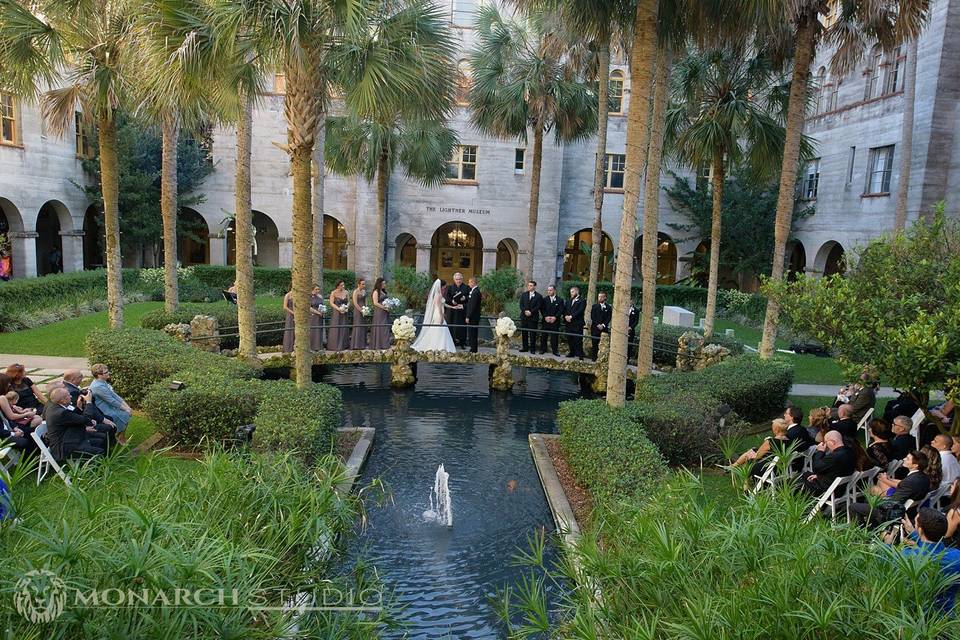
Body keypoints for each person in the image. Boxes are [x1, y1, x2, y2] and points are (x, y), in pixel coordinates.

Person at [895, 508, 960, 615]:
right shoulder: (957, 556)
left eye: (916, 523)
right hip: (946, 619)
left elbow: (883, 560)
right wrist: (915, 533)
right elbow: (931, 548)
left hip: (916, 619)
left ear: (920, 530)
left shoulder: (907, 556)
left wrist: (887, 543)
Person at [852, 451, 933, 525]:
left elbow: (893, 500)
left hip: (892, 512)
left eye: (907, 459)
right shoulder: (923, 477)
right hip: (911, 510)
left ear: (915, 465)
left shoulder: (910, 481)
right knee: (870, 497)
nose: (904, 459)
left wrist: (878, 498)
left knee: (853, 506)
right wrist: (888, 480)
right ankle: (872, 526)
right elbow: (902, 484)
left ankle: (864, 529)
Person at [43, 387, 107, 460]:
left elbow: (73, 418)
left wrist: (78, 407)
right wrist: (89, 402)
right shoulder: (60, 413)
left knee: (101, 440)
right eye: (68, 395)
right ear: (63, 400)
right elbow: (87, 420)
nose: (71, 396)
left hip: (70, 438)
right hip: (65, 447)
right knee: (100, 451)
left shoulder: (55, 407)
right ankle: (95, 468)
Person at [412, 279, 456, 353]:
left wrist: (452, 307)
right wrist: (441, 316)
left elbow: (443, 303)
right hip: (438, 314)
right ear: (441, 286)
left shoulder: (439, 294)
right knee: (439, 330)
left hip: (439, 313)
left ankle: (440, 347)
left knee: (439, 330)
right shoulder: (437, 295)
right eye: (444, 287)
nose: (444, 288)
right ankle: (438, 347)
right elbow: (438, 307)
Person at [88, 363, 132, 437]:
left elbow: (114, 395)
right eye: (106, 372)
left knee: (127, 412)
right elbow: (111, 401)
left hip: (108, 404)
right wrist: (126, 409)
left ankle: (120, 435)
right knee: (124, 414)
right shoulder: (98, 386)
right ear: (99, 375)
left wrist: (127, 406)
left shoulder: (102, 381)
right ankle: (120, 436)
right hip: (103, 408)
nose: (108, 373)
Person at [444, 272, 469, 347]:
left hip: (462, 310)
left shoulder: (466, 287)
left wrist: (465, 298)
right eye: (457, 279)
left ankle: (462, 342)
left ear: (462, 279)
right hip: (452, 310)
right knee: (452, 326)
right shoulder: (450, 287)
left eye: (460, 279)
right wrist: (452, 301)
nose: (458, 281)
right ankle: (452, 342)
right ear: (454, 279)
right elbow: (446, 298)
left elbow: (470, 297)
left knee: (462, 327)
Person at [539, 285, 564, 356]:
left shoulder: (560, 300)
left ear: (554, 291)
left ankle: (555, 351)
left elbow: (561, 310)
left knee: (554, 337)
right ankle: (543, 349)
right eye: (548, 290)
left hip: (555, 321)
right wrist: (546, 317)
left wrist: (555, 317)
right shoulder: (544, 299)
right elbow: (542, 309)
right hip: (545, 321)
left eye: (550, 290)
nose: (549, 292)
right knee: (544, 336)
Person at [518, 280, 542, 353]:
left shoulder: (539, 296)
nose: (529, 287)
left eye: (531, 285)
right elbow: (521, 304)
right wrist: (525, 311)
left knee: (532, 334)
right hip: (524, 316)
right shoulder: (524, 294)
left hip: (533, 317)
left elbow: (538, 306)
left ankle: (532, 349)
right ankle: (525, 348)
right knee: (524, 333)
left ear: (534, 287)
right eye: (528, 285)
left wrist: (531, 312)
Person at [370, 277, 392, 350]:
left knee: (385, 327)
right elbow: (375, 303)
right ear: (379, 284)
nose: (384, 285)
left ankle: (385, 344)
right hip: (379, 312)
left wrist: (389, 305)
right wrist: (384, 307)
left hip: (385, 312)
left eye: (384, 283)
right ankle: (378, 344)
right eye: (383, 283)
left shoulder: (383, 291)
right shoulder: (376, 292)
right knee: (380, 327)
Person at [564, 287, 586, 359]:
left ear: (577, 292)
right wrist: (566, 316)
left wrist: (571, 317)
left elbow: (580, 311)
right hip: (569, 323)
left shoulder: (582, 301)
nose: (571, 293)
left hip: (577, 323)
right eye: (571, 292)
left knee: (578, 339)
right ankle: (572, 352)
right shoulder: (568, 300)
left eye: (573, 292)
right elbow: (565, 309)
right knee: (570, 338)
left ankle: (580, 355)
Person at [327, 280, 349, 352]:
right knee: (336, 327)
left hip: (344, 312)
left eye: (343, 285)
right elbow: (331, 303)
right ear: (338, 286)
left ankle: (344, 344)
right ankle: (334, 345)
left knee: (343, 326)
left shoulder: (346, 292)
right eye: (341, 285)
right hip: (337, 312)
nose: (343, 286)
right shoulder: (333, 293)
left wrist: (346, 307)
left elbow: (349, 301)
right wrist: (338, 309)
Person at [589, 292, 612, 361]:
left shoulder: (608, 307)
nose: (600, 298)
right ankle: (594, 358)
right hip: (595, 328)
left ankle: (602, 359)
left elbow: (609, 317)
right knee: (594, 343)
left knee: (603, 344)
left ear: (605, 298)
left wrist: (603, 325)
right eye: (599, 297)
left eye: (602, 297)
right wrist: (598, 324)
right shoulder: (594, 306)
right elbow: (592, 316)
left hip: (604, 329)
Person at [464, 277, 482, 353]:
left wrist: (468, 316)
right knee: (472, 332)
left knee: (472, 333)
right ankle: (473, 348)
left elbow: (472, 306)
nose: (468, 284)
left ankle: (473, 349)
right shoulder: (475, 291)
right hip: (474, 316)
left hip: (473, 316)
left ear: (473, 282)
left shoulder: (475, 292)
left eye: (469, 282)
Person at [350, 278, 367, 350]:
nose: (364, 285)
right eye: (362, 284)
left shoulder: (364, 291)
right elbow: (355, 303)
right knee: (357, 325)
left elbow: (365, 301)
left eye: (364, 284)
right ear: (358, 284)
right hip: (357, 311)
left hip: (363, 310)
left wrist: (366, 309)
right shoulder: (355, 292)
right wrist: (361, 310)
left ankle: (362, 344)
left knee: (362, 326)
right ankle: (356, 344)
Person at [309, 284, 325, 351]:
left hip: (320, 315)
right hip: (313, 315)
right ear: (312, 289)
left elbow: (322, 305)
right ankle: (312, 346)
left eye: (318, 289)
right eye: (316, 289)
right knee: (313, 330)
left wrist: (323, 311)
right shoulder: (309, 297)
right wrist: (317, 312)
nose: (318, 291)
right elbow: (309, 307)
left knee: (319, 330)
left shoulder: (320, 296)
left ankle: (319, 346)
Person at [281, 289, 295, 354]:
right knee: (290, 330)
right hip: (290, 314)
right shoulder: (288, 295)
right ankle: (288, 348)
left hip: (298, 314)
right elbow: (285, 307)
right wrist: (293, 313)